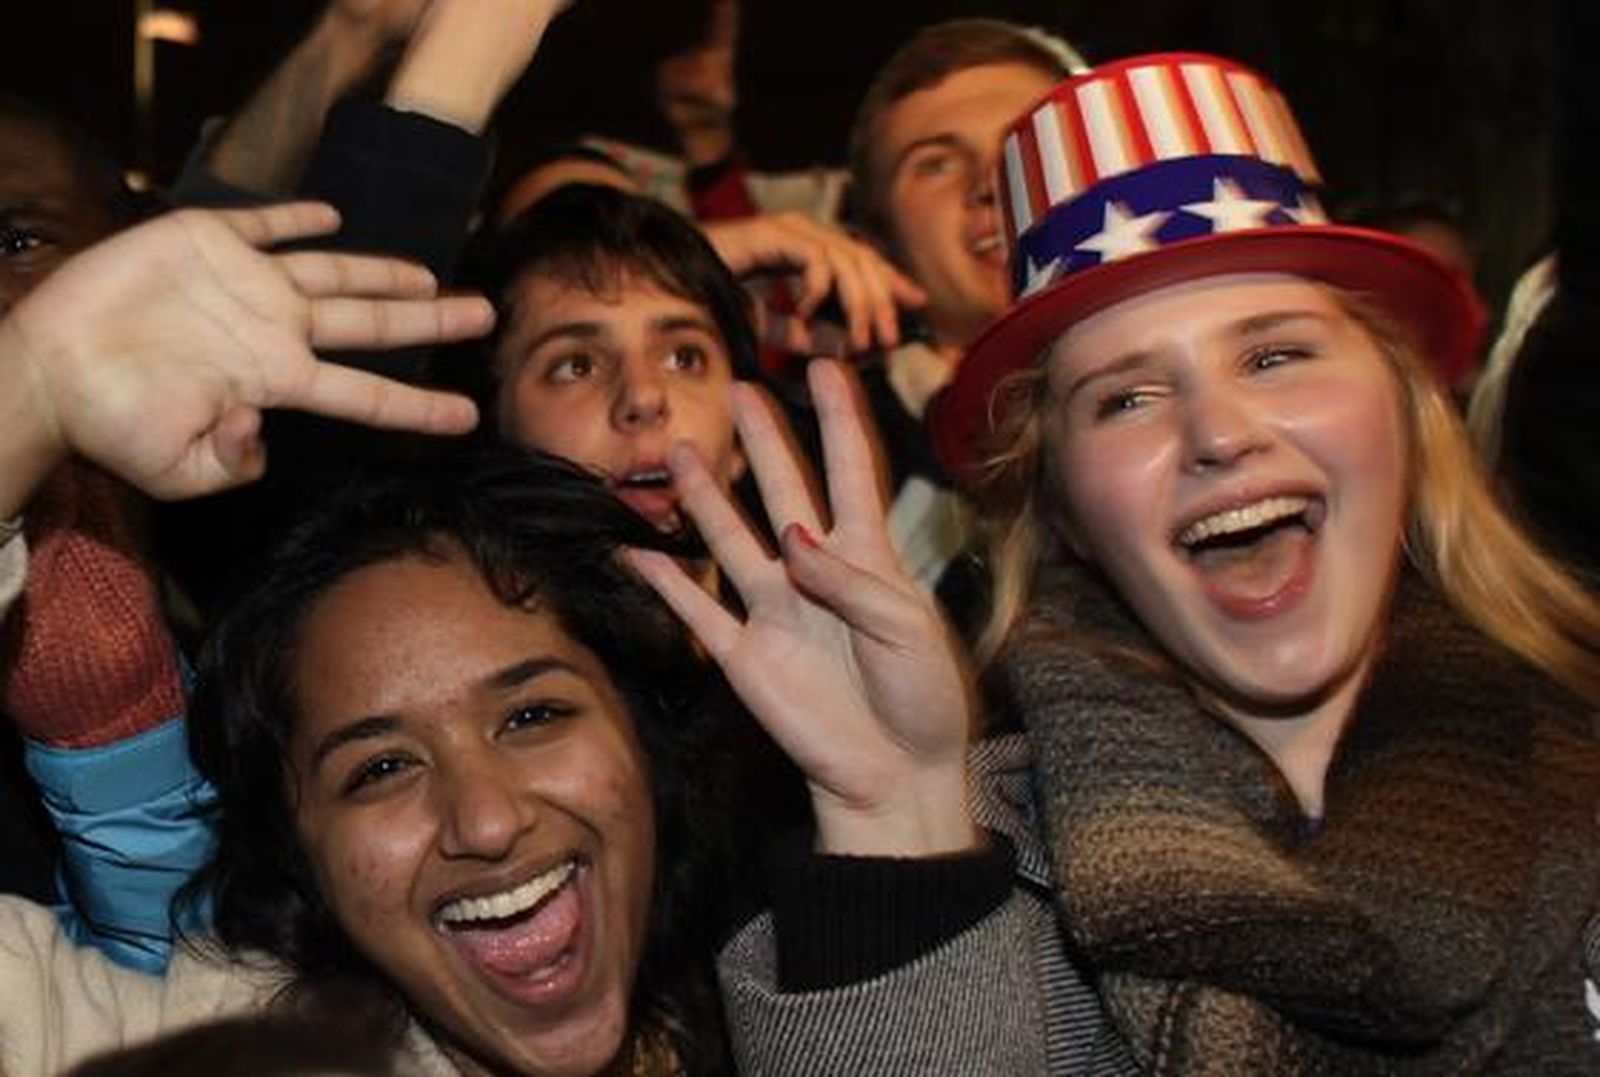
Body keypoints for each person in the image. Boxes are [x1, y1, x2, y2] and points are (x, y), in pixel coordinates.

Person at [918, 53, 1600, 1070]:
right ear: (1062, 509)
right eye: (1125, 397)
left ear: (1406, 412)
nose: (1218, 434)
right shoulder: (966, 884)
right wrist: (882, 827)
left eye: (1275, 355)